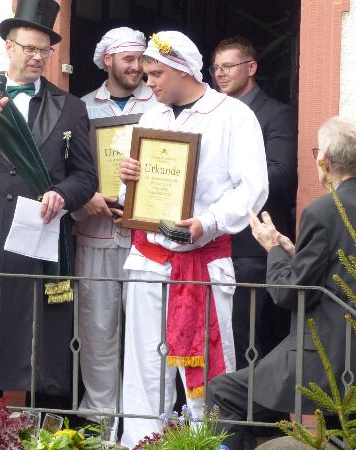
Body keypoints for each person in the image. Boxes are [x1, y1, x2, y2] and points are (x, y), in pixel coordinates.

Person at [0, 0, 97, 410]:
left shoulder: (70, 107)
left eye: (45, 50)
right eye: (29, 48)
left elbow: (85, 176)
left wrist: (64, 194)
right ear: (9, 47)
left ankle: (41, 430)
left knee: (41, 336)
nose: (38, 57)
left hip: (42, 236)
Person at [117, 31, 268, 447]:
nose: (148, 82)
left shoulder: (233, 116)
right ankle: (141, 443)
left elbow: (253, 187)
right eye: (146, 74)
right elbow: (133, 200)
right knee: (144, 366)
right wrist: (127, 182)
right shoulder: (151, 119)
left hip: (202, 260)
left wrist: (208, 221)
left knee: (208, 369)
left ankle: (209, 444)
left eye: (156, 74)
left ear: (182, 69)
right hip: (148, 259)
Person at [208, 116, 356, 450]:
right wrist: (292, 252)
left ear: (325, 160)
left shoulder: (323, 211)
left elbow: (290, 293)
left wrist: (273, 249)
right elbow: (334, 268)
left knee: (223, 393)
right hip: (346, 355)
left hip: (326, 357)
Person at [76, 26, 158, 416]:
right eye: (129, 59)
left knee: (149, 334)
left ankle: (145, 423)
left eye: (142, 59)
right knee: (97, 331)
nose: (137, 67)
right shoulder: (81, 107)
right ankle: (100, 419)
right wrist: (84, 199)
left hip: (149, 239)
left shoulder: (161, 104)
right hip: (95, 235)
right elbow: (67, 168)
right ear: (108, 60)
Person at [211, 36, 297, 369]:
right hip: (212, 242)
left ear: (251, 68)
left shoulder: (276, 114)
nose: (220, 73)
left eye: (228, 66)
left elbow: (282, 173)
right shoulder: (211, 114)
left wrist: (223, 181)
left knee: (248, 338)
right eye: (216, 68)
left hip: (253, 248)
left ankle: (252, 403)